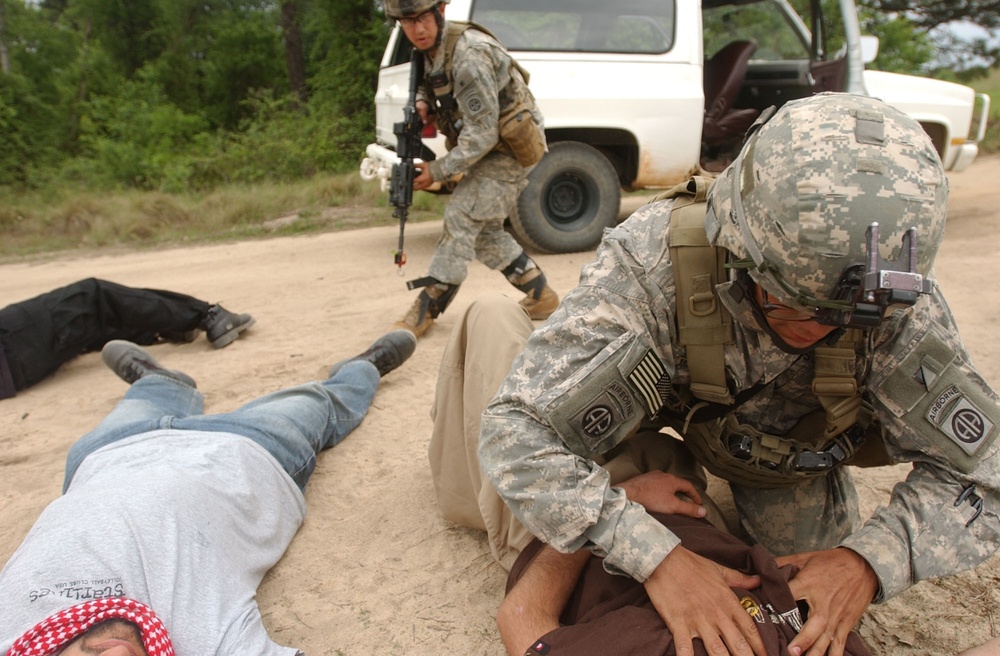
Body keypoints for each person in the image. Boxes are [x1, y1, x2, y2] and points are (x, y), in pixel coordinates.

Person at [431, 93, 1000, 655]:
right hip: (649, 404)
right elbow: (518, 434)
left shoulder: (893, 302)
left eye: (849, 318)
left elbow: (987, 473)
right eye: (798, 305)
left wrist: (868, 561)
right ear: (741, 247)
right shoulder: (654, 262)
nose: (826, 329)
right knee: (539, 487)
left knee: (800, 579)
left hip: (779, 445)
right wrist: (651, 552)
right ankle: (508, 341)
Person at [0, 328, 417, 655]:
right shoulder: (210, 643)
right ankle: (364, 368)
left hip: (106, 453)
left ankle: (161, 382)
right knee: (321, 401)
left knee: (147, 396)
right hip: (247, 448)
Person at [384, 0, 560, 338]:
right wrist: (423, 100)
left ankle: (425, 309)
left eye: (423, 18)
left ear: (441, 11)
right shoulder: (431, 48)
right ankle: (541, 295)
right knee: (485, 231)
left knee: (462, 217)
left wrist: (436, 171)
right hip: (488, 146)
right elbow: (431, 77)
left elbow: (483, 133)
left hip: (507, 148)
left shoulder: (470, 56)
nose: (417, 29)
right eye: (408, 22)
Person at [0, 277, 255, 400]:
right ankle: (207, 316)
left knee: (84, 324)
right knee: (90, 297)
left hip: (11, 365)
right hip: (9, 352)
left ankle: (166, 328)